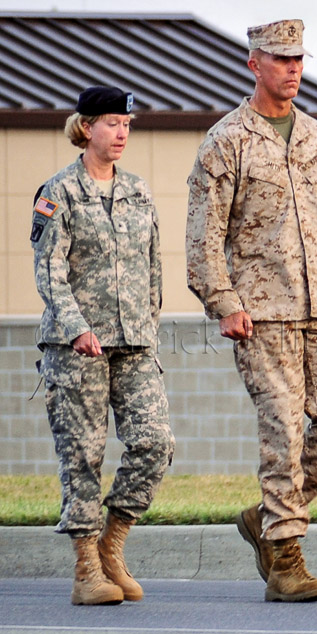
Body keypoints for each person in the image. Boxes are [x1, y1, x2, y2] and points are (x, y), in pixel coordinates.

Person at [186, 19, 317, 603]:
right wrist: (224, 301)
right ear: (254, 65)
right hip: (263, 314)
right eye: (280, 59)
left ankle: (265, 516)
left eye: (298, 59)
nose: (293, 68)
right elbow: (203, 237)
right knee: (284, 432)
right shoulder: (226, 141)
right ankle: (287, 560)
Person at [32, 86, 174, 606]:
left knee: (155, 442)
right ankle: (87, 570)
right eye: (112, 122)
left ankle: (113, 544)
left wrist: (150, 326)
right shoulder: (58, 193)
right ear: (86, 126)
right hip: (76, 350)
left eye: (127, 123)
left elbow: (153, 267)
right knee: (83, 456)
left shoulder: (138, 190)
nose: (121, 132)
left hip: (135, 343)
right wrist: (75, 328)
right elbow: (49, 272)